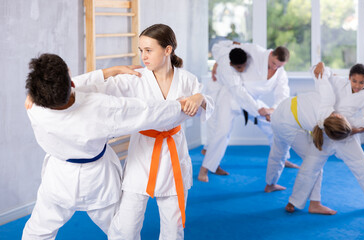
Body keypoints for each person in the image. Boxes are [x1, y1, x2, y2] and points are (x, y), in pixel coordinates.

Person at [22, 53, 190, 239]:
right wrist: (180, 106)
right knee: (121, 232)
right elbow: (146, 111)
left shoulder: (34, 107)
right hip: (98, 182)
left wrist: (110, 71)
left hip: (58, 180)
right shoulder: (101, 107)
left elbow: (71, 84)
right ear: (70, 84)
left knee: (37, 231)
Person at [78, 24, 213, 240]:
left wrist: (201, 98)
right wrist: (43, 94)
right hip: (141, 157)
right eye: (141, 50)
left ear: (167, 50)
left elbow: (207, 105)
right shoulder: (135, 78)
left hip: (174, 159)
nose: (143, 56)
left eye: (148, 50)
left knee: (173, 229)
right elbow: (87, 88)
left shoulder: (187, 80)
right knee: (126, 229)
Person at [285, 62, 364, 214]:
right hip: (324, 133)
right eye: (354, 81)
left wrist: (346, 132)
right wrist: (320, 66)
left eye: (361, 82)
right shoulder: (338, 82)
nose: (357, 85)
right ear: (349, 78)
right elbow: (322, 74)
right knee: (309, 168)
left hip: (347, 137)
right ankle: (294, 201)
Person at [199, 40, 293, 183]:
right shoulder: (254, 50)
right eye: (274, 63)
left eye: (279, 66)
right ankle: (204, 169)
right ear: (271, 53)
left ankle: (283, 158)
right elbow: (227, 53)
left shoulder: (280, 72)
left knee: (273, 126)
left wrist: (272, 110)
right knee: (222, 132)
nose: (275, 67)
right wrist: (219, 62)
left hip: (252, 100)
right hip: (230, 97)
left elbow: (283, 94)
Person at [264, 64, 353, 200]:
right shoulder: (322, 128)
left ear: (339, 117)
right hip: (287, 123)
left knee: (278, 153)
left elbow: (320, 73)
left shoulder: (328, 100)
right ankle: (315, 203)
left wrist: (323, 68)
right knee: (314, 163)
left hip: (281, 111)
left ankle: (270, 184)